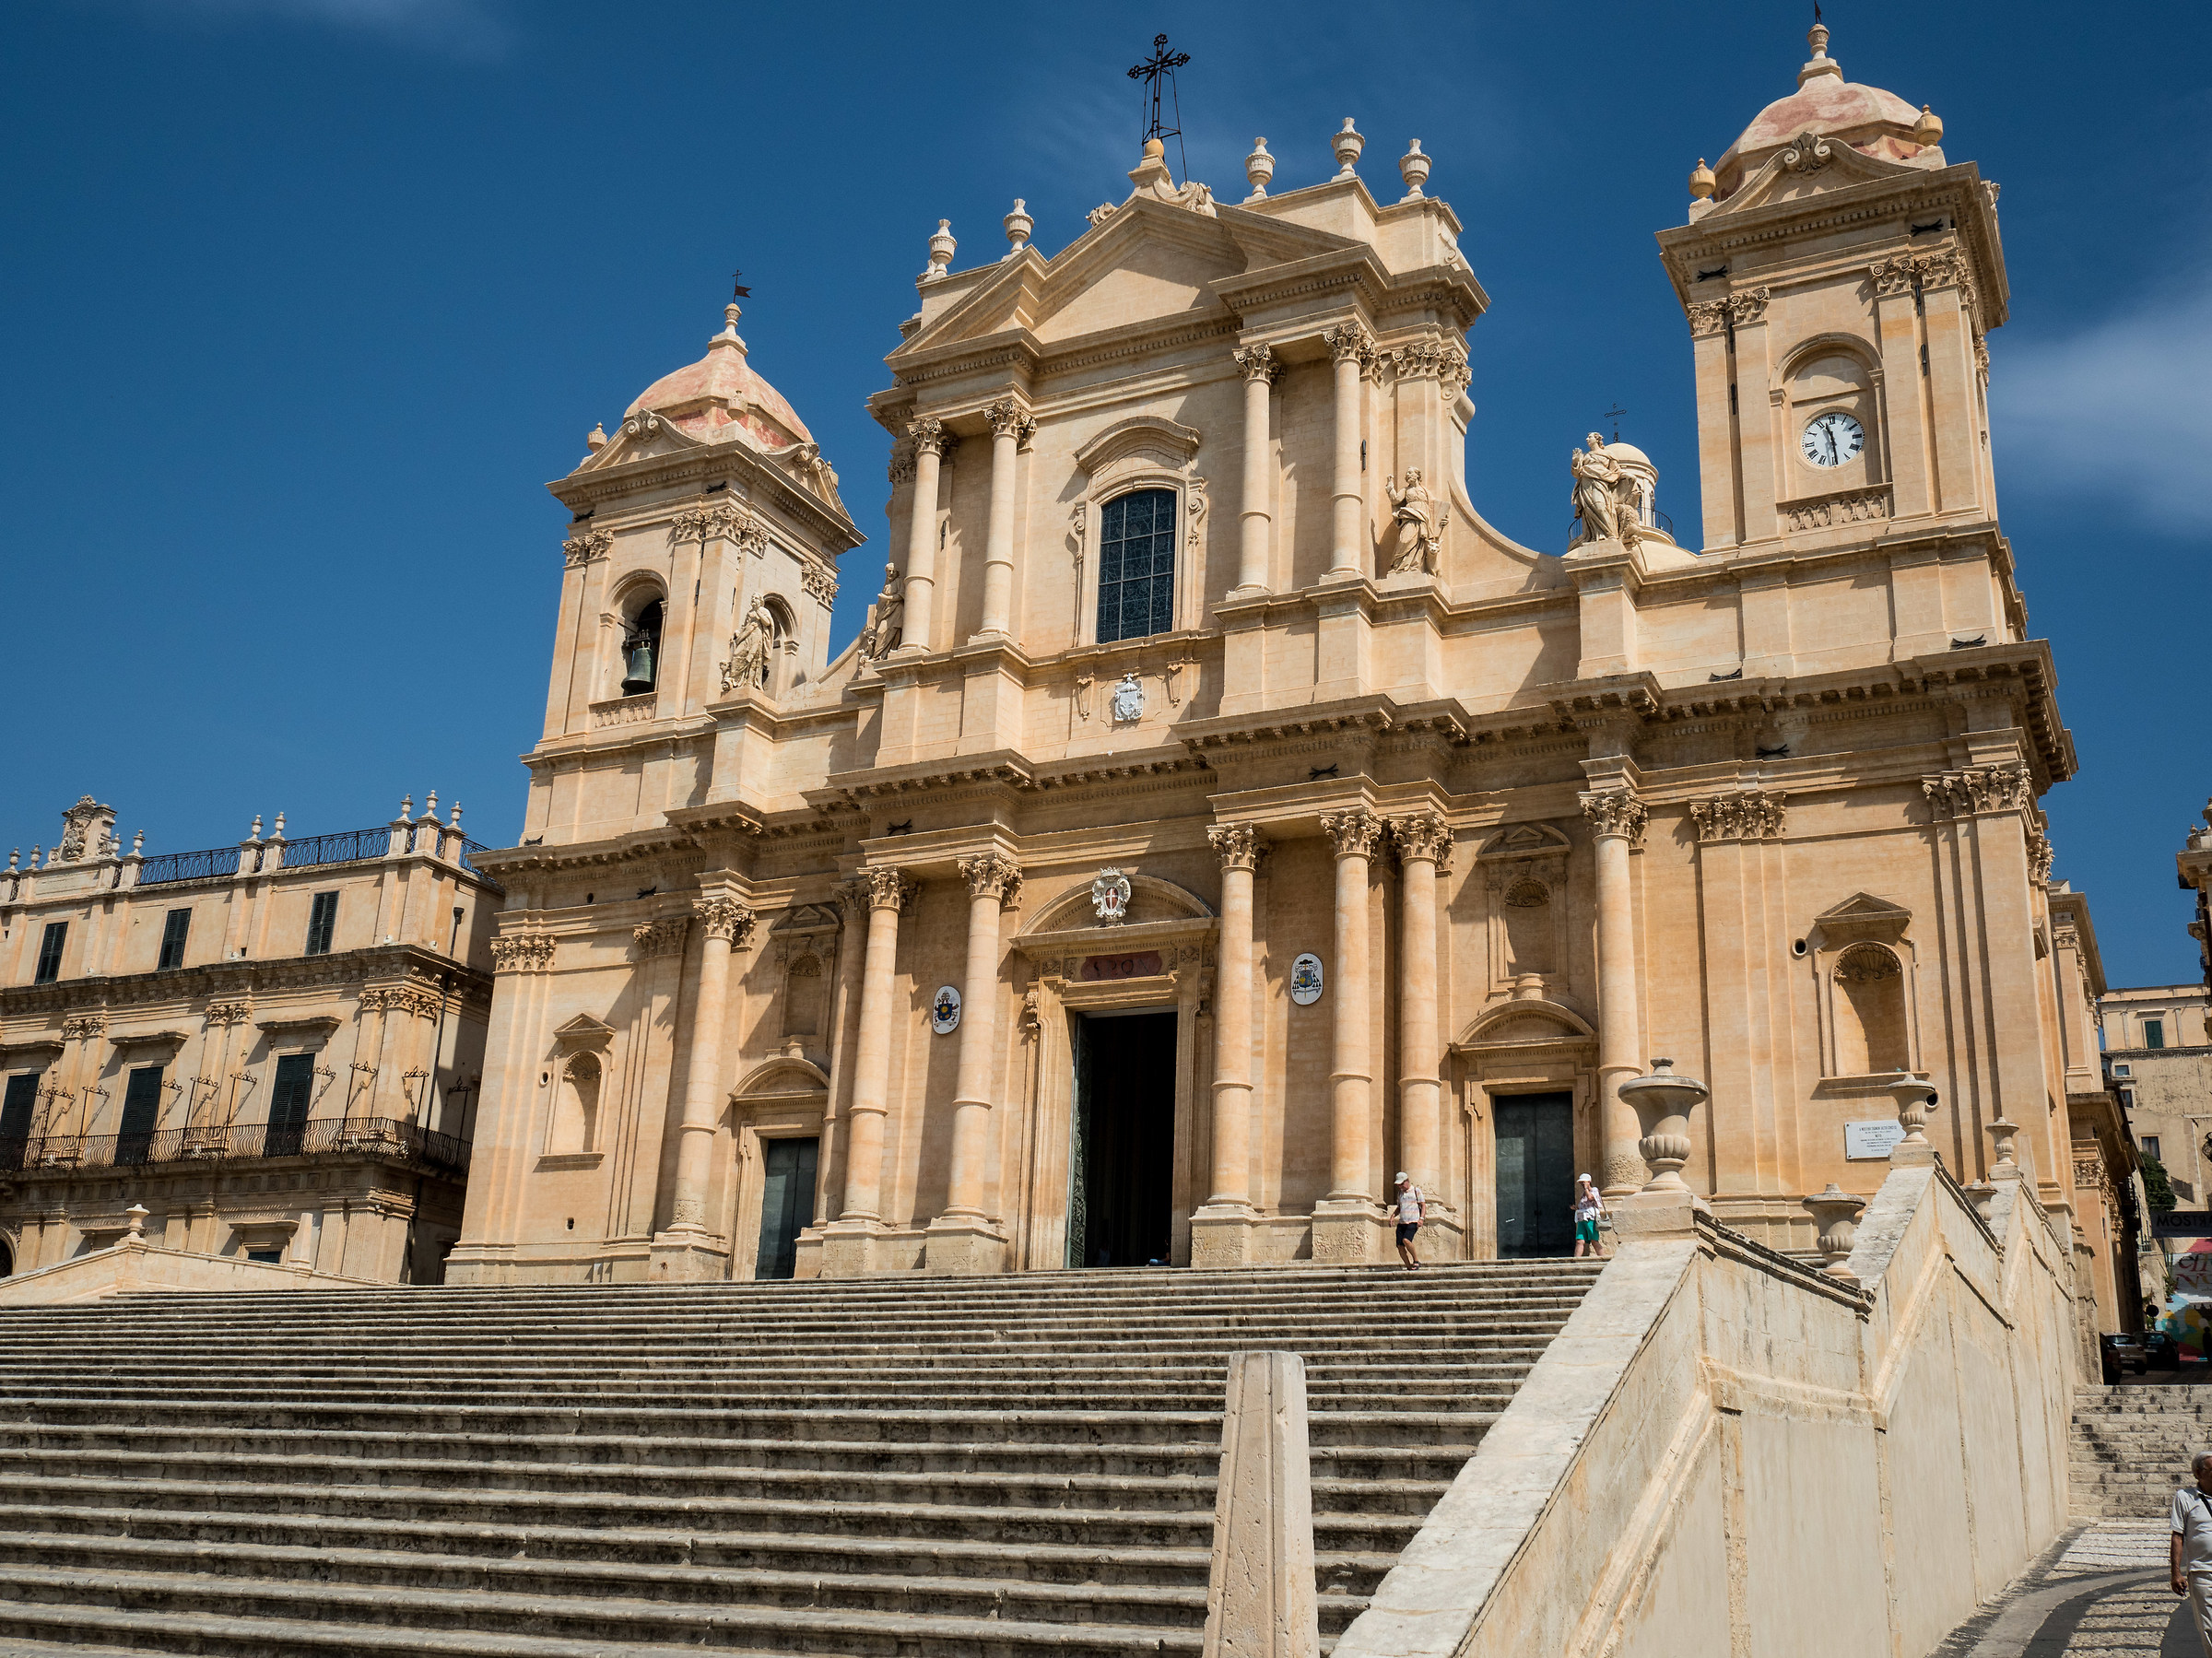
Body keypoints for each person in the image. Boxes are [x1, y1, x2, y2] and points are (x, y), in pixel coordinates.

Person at [2173, 1450, 2212, 1650]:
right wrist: (2176, 1573)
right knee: (2209, 1627)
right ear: (2198, 1473)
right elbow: (2177, 1536)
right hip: (2202, 1572)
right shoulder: (2185, 1498)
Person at [1393, 1171, 1425, 1270]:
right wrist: (1392, 1216)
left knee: (1406, 1240)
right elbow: (1399, 1207)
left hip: (1413, 1221)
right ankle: (1409, 1267)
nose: (1400, 1186)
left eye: (1402, 1184)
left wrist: (1421, 1218)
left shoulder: (1416, 1191)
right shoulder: (1400, 1193)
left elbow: (1423, 1205)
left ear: (1407, 1181)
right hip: (1402, 1222)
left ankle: (1416, 1261)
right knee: (1400, 1246)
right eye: (1399, 1185)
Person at [1573, 1173, 1608, 1259]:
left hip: (1591, 1218)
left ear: (1589, 1182)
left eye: (1583, 1182)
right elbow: (1584, 1205)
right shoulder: (1583, 1193)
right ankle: (1576, 1260)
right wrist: (1576, 1208)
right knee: (1579, 1241)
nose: (1582, 1184)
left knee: (1594, 1241)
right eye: (1581, 1182)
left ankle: (1603, 1258)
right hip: (1582, 1218)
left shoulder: (1594, 1190)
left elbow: (1590, 1198)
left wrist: (1586, 1189)